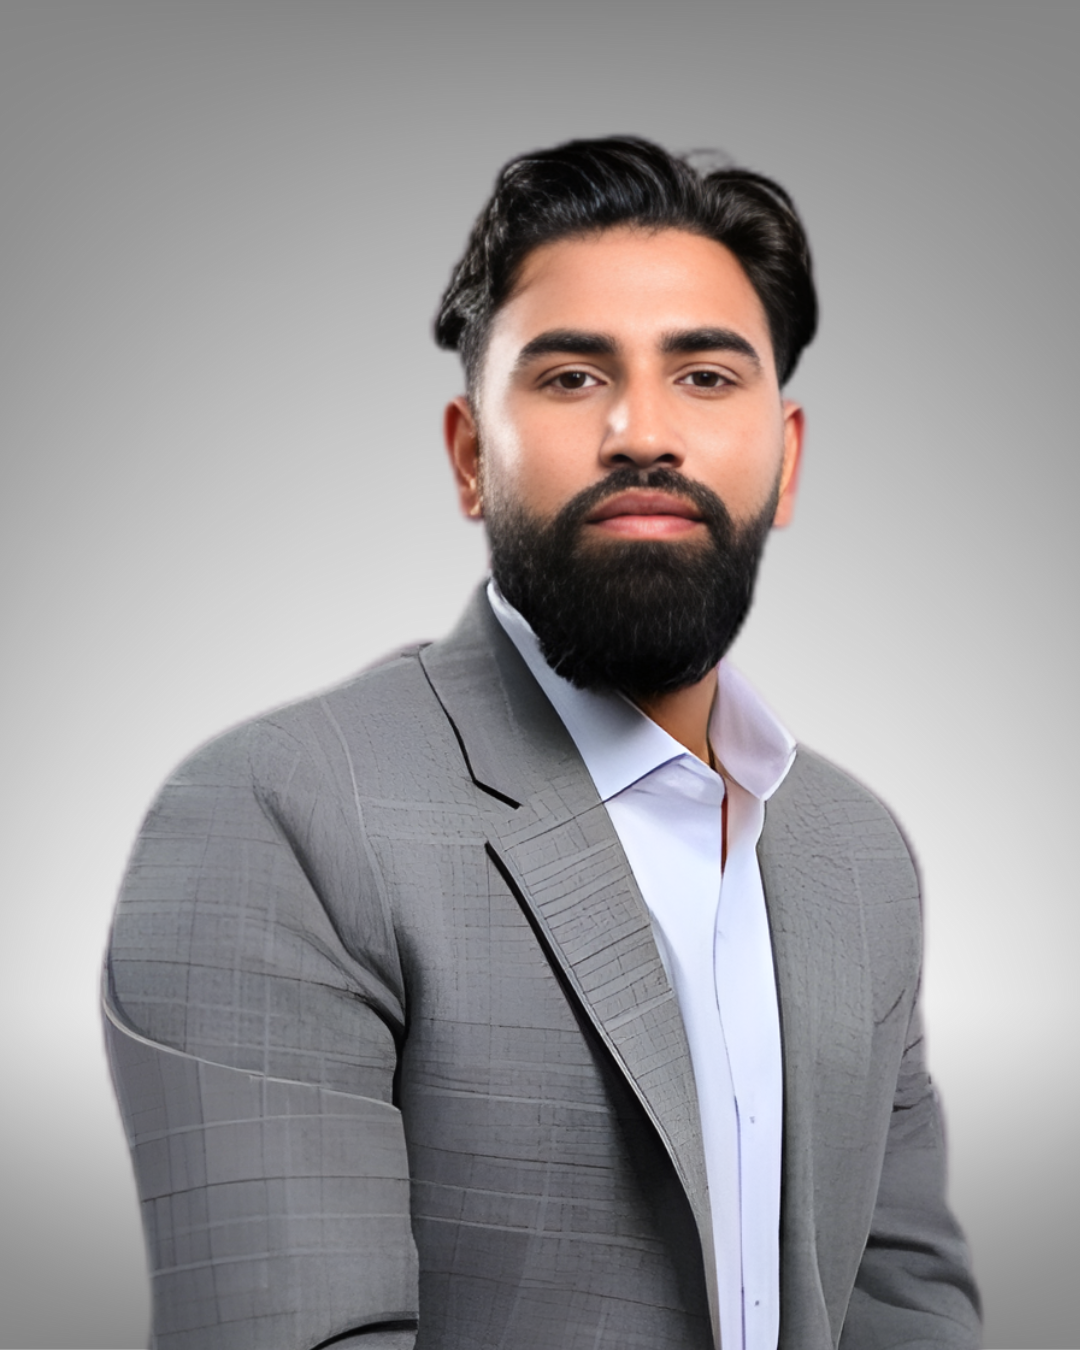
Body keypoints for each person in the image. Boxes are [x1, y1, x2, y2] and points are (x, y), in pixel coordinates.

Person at [103, 136, 981, 1350]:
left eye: (705, 376)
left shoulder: (858, 853)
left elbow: (904, 1301)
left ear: (787, 461)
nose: (641, 431)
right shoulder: (278, 818)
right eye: (571, 376)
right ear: (472, 457)